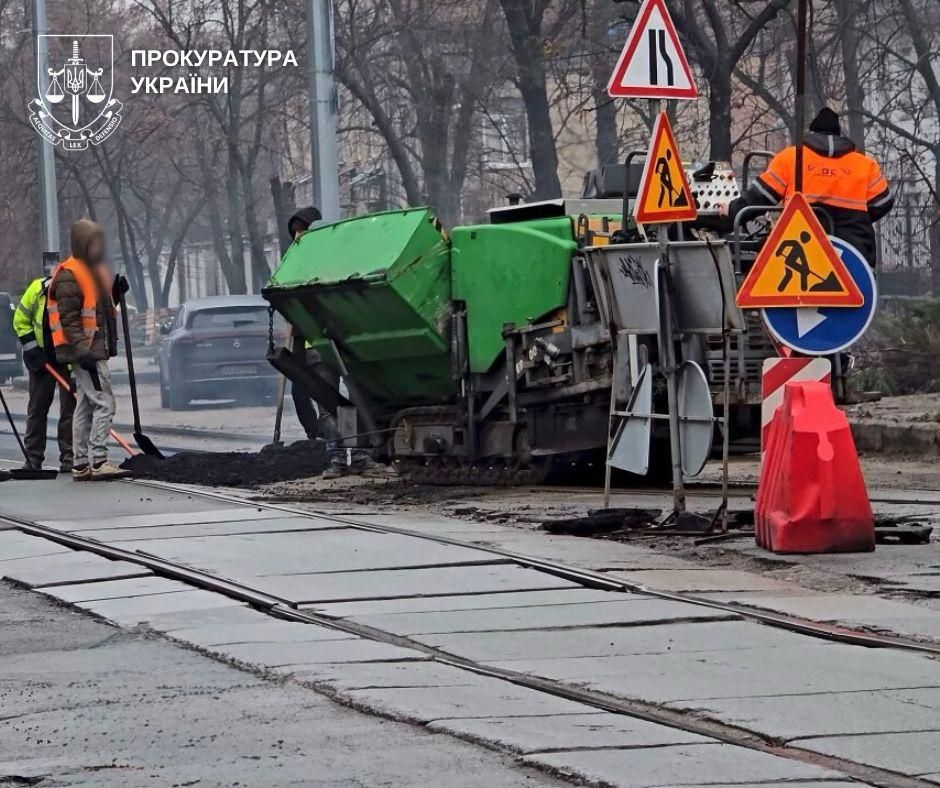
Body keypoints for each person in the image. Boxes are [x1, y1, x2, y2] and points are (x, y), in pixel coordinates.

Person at [284, 206, 390, 480]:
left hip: (342, 344)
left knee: (348, 403)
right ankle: (338, 457)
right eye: (295, 233)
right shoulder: (296, 263)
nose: (297, 237)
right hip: (317, 348)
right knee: (330, 405)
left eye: (301, 231)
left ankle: (357, 455)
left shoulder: (328, 260)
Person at [724, 107, 894, 264]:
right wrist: (855, 219)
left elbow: (760, 197)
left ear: (811, 133)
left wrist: (731, 211)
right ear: (839, 135)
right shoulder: (865, 165)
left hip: (801, 249)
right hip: (854, 253)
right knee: (855, 296)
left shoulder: (791, 158)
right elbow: (882, 204)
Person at [47, 219, 129, 481]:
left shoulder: (92, 271)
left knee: (83, 405)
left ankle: (81, 463)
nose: (98, 248)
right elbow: (70, 320)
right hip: (87, 353)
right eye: (93, 244)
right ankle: (99, 459)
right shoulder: (70, 275)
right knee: (105, 403)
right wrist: (83, 351)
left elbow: (100, 311)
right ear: (82, 244)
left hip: (92, 350)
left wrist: (115, 293)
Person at [12, 274, 75, 472]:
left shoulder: (74, 295)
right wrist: (32, 349)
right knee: (37, 408)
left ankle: (70, 458)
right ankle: (33, 458)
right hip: (41, 359)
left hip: (67, 360)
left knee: (70, 410)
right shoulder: (36, 290)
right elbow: (20, 320)